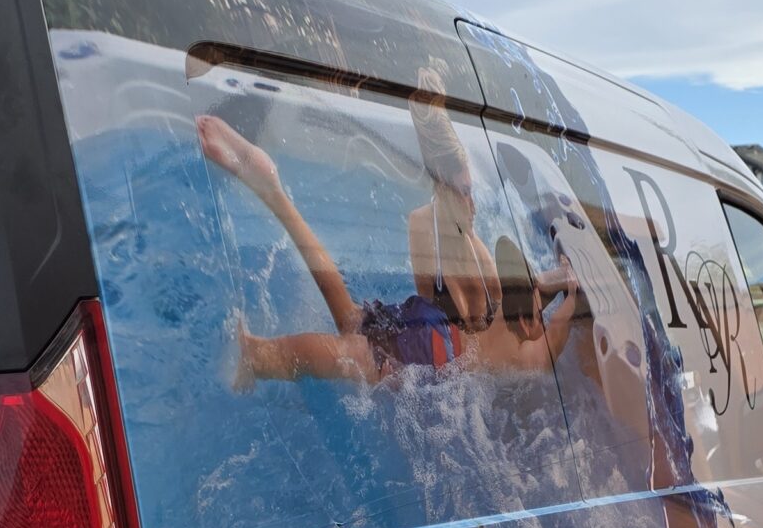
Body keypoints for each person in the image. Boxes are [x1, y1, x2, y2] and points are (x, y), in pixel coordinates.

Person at [197, 74, 577, 388]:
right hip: (434, 354)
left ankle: (273, 189)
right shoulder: (511, 330)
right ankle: (256, 354)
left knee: (349, 319)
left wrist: (560, 278)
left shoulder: (422, 226)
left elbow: (517, 294)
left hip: (423, 328)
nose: (474, 204)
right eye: (468, 193)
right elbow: (541, 322)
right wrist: (573, 295)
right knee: (351, 356)